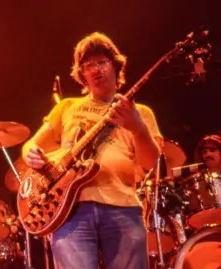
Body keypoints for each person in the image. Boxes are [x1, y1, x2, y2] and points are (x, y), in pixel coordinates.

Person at [22, 32, 162, 269]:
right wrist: (30, 153)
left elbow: (151, 164)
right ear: (82, 74)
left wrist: (137, 129)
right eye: (88, 65)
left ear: (115, 66)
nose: (96, 69)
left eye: (101, 62)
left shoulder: (141, 112)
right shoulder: (67, 107)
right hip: (69, 210)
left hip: (123, 207)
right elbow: (31, 145)